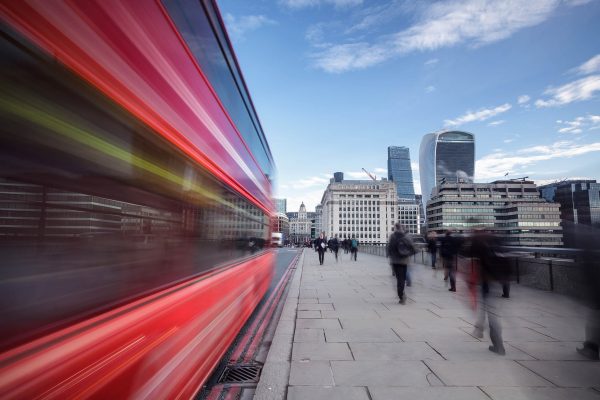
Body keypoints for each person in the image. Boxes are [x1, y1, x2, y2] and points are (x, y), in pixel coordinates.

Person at [470, 228, 506, 355]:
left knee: (491, 312)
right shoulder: (496, 241)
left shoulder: (480, 243)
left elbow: (467, 253)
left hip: (487, 280)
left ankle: (498, 345)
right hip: (497, 279)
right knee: (490, 309)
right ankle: (480, 328)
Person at [387, 223, 416, 304]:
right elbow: (412, 248)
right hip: (404, 261)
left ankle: (401, 295)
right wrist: (408, 254)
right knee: (402, 278)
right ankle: (401, 295)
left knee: (398, 278)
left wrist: (389, 256)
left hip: (395, 261)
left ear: (395, 228)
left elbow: (390, 247)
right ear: (402, 228)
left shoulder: (392, 236)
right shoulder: (406, 236)